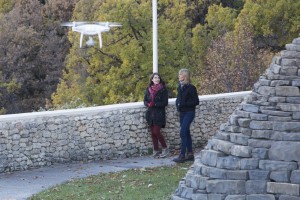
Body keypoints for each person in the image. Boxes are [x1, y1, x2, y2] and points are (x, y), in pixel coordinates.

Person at [173, 68, 199, 163]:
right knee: (186, 132)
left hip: (189, 112)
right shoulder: (180, 87)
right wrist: (178, 104)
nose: (179, 76)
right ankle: (190, 154)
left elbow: (196, 101)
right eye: (179, 74)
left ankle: (182, 155)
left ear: (185, 76)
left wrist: (183, 104)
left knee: (183, 132)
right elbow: (179, 98)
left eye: (180, 74)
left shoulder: (191, 88)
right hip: (182, 113)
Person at [144, 73, 170, 158]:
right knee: (153, 133)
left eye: (158, 78)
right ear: (152, 79)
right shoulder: (148, 89)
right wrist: (148, 104)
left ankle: (165, 148)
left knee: (156, 132)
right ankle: (156, 151)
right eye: (155, 78)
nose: (157, 79)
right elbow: (145, 100)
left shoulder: (163, 89)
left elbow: (165, 102)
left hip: (159, 114)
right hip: (150, 114)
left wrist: (154, 104)